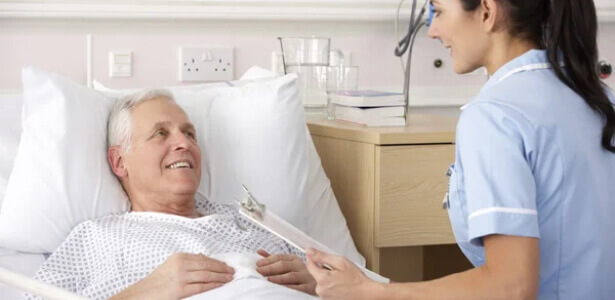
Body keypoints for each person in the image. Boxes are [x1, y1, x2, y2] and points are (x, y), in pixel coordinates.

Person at [304, 0, 615, 299]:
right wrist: (361, 283)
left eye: (438, 11)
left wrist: (372, 293)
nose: (432, 30)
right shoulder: (602, 99)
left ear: (487, 12)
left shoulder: (494, 117)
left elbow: (511, 287)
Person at [26, 90, 317, 300]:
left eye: (189, 134)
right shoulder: (96, 238)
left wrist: (319, 284)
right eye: (160, 134)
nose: (184, 143)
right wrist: (143, 294)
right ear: (119, 162)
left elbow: (352, 284)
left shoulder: (252, 221)